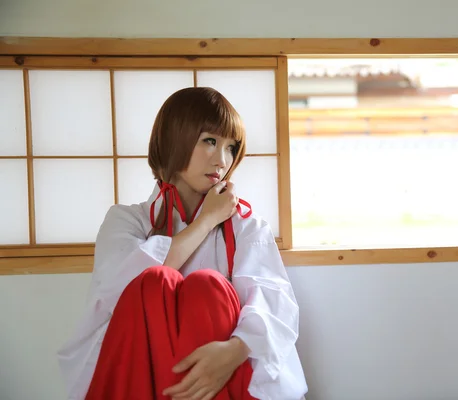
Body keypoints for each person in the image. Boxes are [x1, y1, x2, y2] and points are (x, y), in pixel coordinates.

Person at [57, 87, 308, 400]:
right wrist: (206, 222)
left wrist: (235, 349)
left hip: (223, 375)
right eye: (209, 141)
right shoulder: (126, 220)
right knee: (154, 280)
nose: (222, 160)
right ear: (176, 139)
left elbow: (273, 299)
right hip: (143, 376)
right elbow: (117, 294)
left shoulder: (246, 225)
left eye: (231, 147)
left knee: (209, 287)